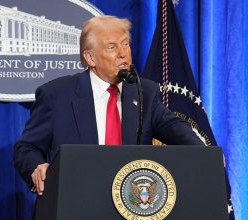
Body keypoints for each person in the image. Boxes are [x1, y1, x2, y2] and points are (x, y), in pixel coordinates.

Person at [14, 16, 204, 195]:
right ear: (90, 58)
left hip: (130, 202)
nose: (123, 54)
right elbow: (26, 148)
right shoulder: (56, 95)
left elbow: (173, 126)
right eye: (111, 47)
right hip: (75, 199)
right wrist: (36, 168)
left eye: (125, 44)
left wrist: (204, 153)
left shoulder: (143, 91)